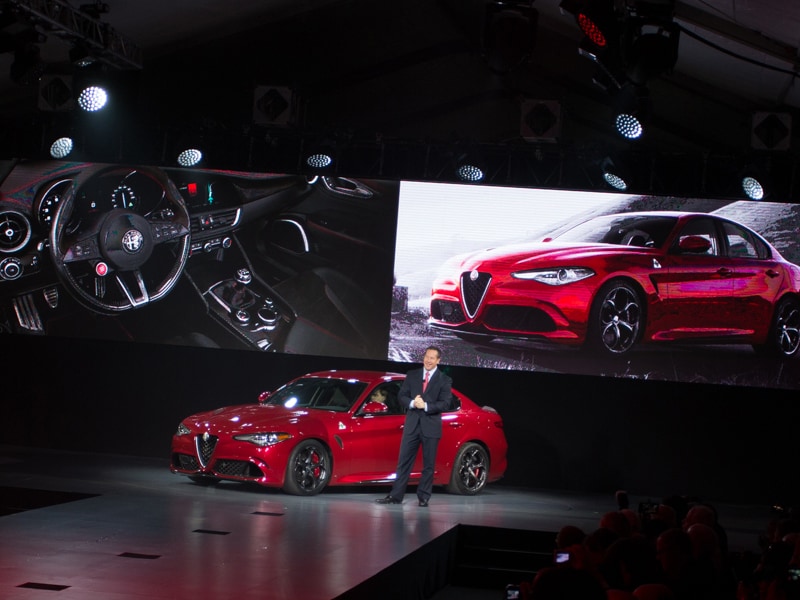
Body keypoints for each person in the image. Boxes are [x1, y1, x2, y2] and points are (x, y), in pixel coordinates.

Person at [376, 346, 452, 507]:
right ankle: (396, 496)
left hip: (430, 427)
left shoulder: (444, 380)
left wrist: (425, 405)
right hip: (412, 426)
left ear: (438, 360)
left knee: (428, 465)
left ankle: (424, 497)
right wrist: (412, 403)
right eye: (426, 357)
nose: (428, 360)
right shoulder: (412, 375)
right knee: (403, 462)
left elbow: (445, 404)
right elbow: (401, 395)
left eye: (432, 358)